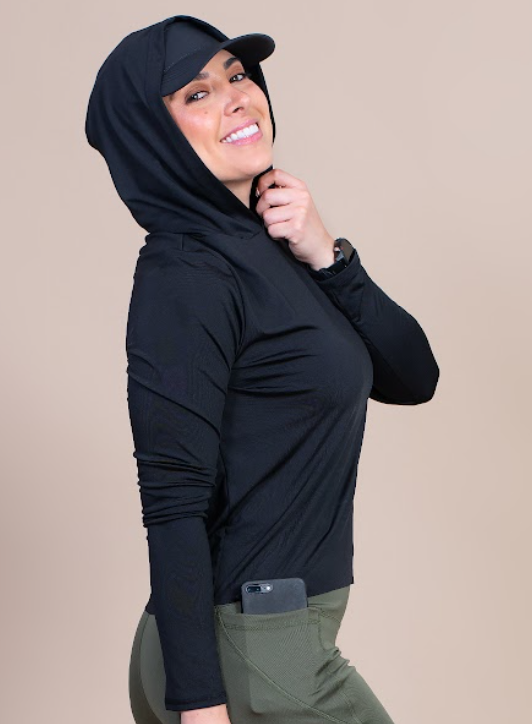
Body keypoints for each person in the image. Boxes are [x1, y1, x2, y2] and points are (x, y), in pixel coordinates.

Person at [85, 14, 440, 724]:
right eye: (197, 93)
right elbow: (173, 501)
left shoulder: (271, 249)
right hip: (246, 655)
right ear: (151, 135)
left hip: (259, 642)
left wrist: (328, 255)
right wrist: (201, 706)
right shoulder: (187, 272)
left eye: (238, 76)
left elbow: (414, 378)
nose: (237, 98)